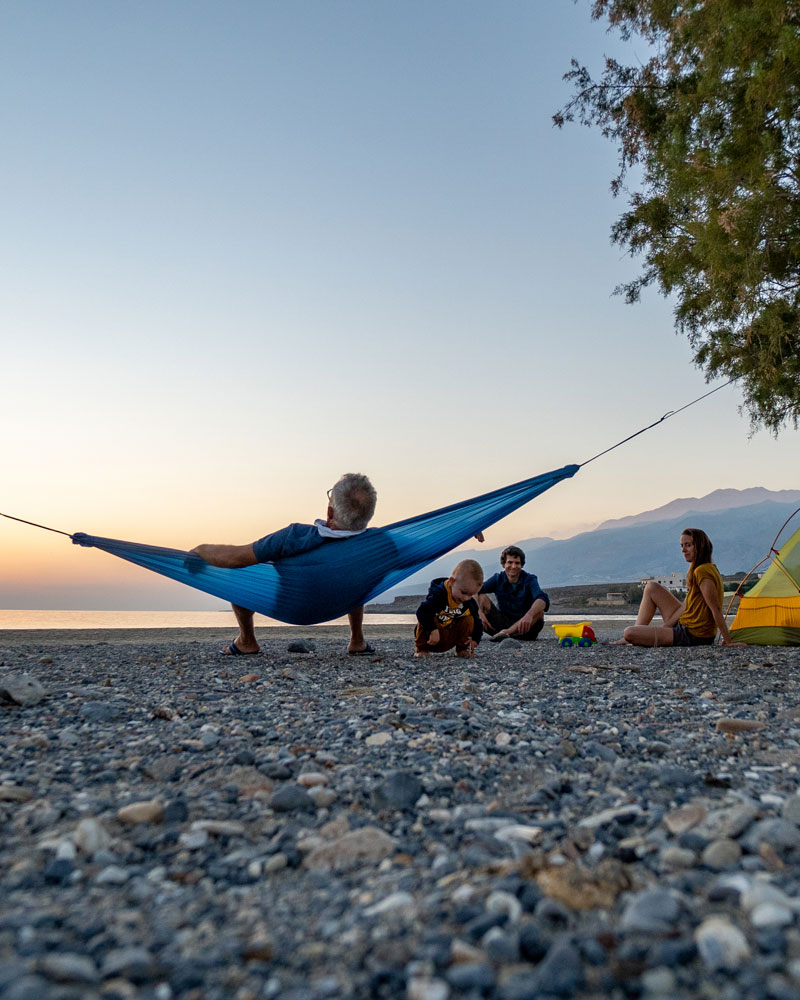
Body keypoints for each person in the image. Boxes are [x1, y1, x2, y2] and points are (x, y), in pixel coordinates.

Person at [191, 473, 377, 656]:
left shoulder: (295, 536)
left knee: (242, 570)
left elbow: (235, 558)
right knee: (354, 572)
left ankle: (247, 641)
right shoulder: (377, 544)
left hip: (291, 608)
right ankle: (357, 640)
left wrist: (201, 550)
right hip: (340, 604)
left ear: (330, 511)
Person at [612, 527, 740, 647]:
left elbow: (715, 608)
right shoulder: (698, 569)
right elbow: (686, 605)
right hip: (686, 623)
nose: (683, 550)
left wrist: (728, 642)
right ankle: (637, 630)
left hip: (694, 635)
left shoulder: (703, 571)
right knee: (652, 587)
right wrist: (666, 627)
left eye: (688, 545)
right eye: (682, 546)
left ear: (700, 547)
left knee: (629, 633)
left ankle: (632, 635)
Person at [477, 545, 549, 642]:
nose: (513, 566)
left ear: (522, 565)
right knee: (481, 597)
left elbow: (542, 598)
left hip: (524, 629)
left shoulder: (530, 579)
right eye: (510, 562)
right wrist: (478, 612)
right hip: (501, 624)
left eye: (517, 563)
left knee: (539, 612)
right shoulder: (498, 579)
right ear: (503, 564)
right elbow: (474, 590)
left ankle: (507, 633)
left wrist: (529, 615)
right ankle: (503, 634)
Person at [414, 559, 484, 658]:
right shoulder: (439, 595)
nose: (466, 598)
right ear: (452, 582)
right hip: (431, 638)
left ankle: (462, 649)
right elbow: (421, 611)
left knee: (469, 619)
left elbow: (478, 622)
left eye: (471, 595)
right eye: (463, 592)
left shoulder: (469, 603)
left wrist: (475, 640)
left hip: (450, 638)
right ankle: (421, 649)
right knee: (426, 613)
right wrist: (432, 629)